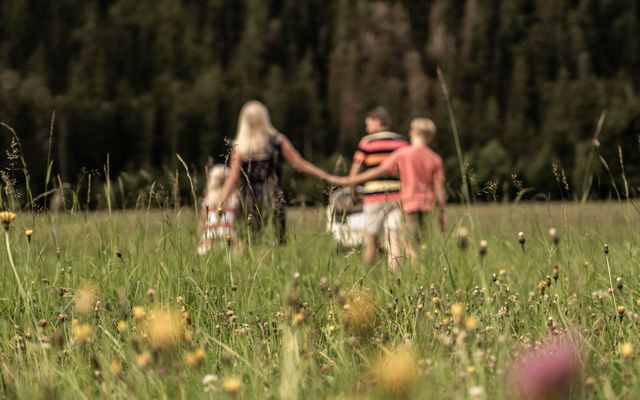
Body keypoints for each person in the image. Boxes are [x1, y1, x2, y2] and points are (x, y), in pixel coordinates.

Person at [330, 118, 446, 265]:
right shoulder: (435, 158)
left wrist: (348, 181)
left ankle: (418, 273)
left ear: (411, 132)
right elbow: (439, 187)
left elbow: (378, 171)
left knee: (405, 244)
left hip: (407, 205)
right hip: (427, 206)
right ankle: (416, 272)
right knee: (418, 243)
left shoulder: (403, 154)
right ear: (430, 136)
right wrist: (442, 212)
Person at [217, 100, 330, 243]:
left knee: (250, 243)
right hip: (275, 197)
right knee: (277, 242)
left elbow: (233, 177)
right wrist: (327, 177)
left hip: (248, 200)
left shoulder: (240, 147)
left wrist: (219, 203)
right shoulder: (278, 141)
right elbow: (299, 164)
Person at [348, 106, 409, 270]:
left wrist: (352, 189)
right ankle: (395, 278)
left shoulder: (367, 142)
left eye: (368, 123)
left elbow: (356, 169)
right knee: (394, 238)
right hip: (398, 195)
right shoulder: (402, 142)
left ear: (377, 121)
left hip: (374, 195)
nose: (366, 127)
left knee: (371, 239)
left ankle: (366, 278)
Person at [197, 164, 240, 255]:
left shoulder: (208, 199)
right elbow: (237, 221)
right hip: (229, 239)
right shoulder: (234, 198)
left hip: (209, 239)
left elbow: (202, 221)